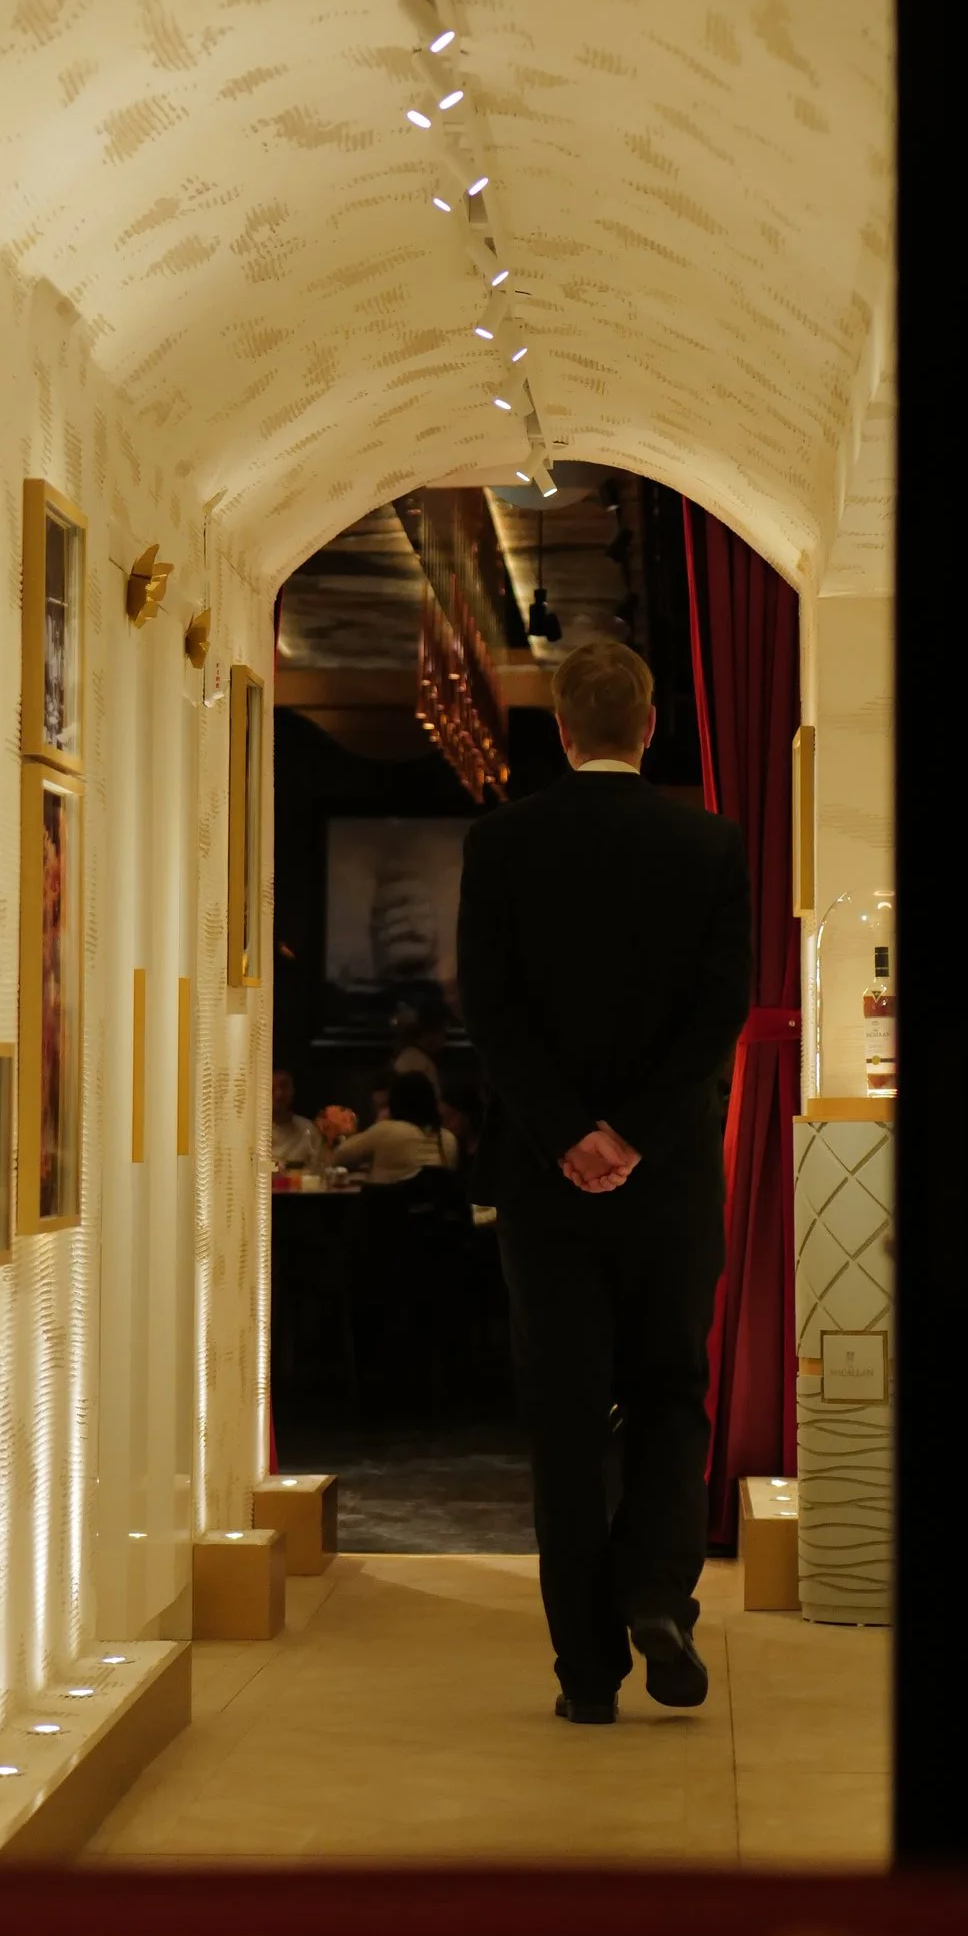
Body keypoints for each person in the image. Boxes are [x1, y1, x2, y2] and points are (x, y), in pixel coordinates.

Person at [456, 636, 750, 1722]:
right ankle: (657, 1588)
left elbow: (489, 1012)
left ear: (565, 730)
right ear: (651, 722)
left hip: (545, 1183)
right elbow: (717, 1013)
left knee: (567, 1420)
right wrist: (632, 1133)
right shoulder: (709, 845)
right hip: (668, 1180)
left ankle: (587, 1673)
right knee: (672, 1389)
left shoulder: (502, 844)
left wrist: (570, 1132)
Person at [329, 1065, 459, 1186]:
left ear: (394, 1103)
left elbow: (339, 1156)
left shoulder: (386, 1130)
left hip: (388, 1208)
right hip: (435, 1209)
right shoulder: (449, 1139)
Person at [267, 1068, 323, 1173]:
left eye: (284, 1086)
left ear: (292, 1090)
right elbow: (249, 1168)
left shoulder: (308, 1129)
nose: (279, 1094)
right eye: (272, 1088)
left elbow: (318, 1169)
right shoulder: (252, 1131)